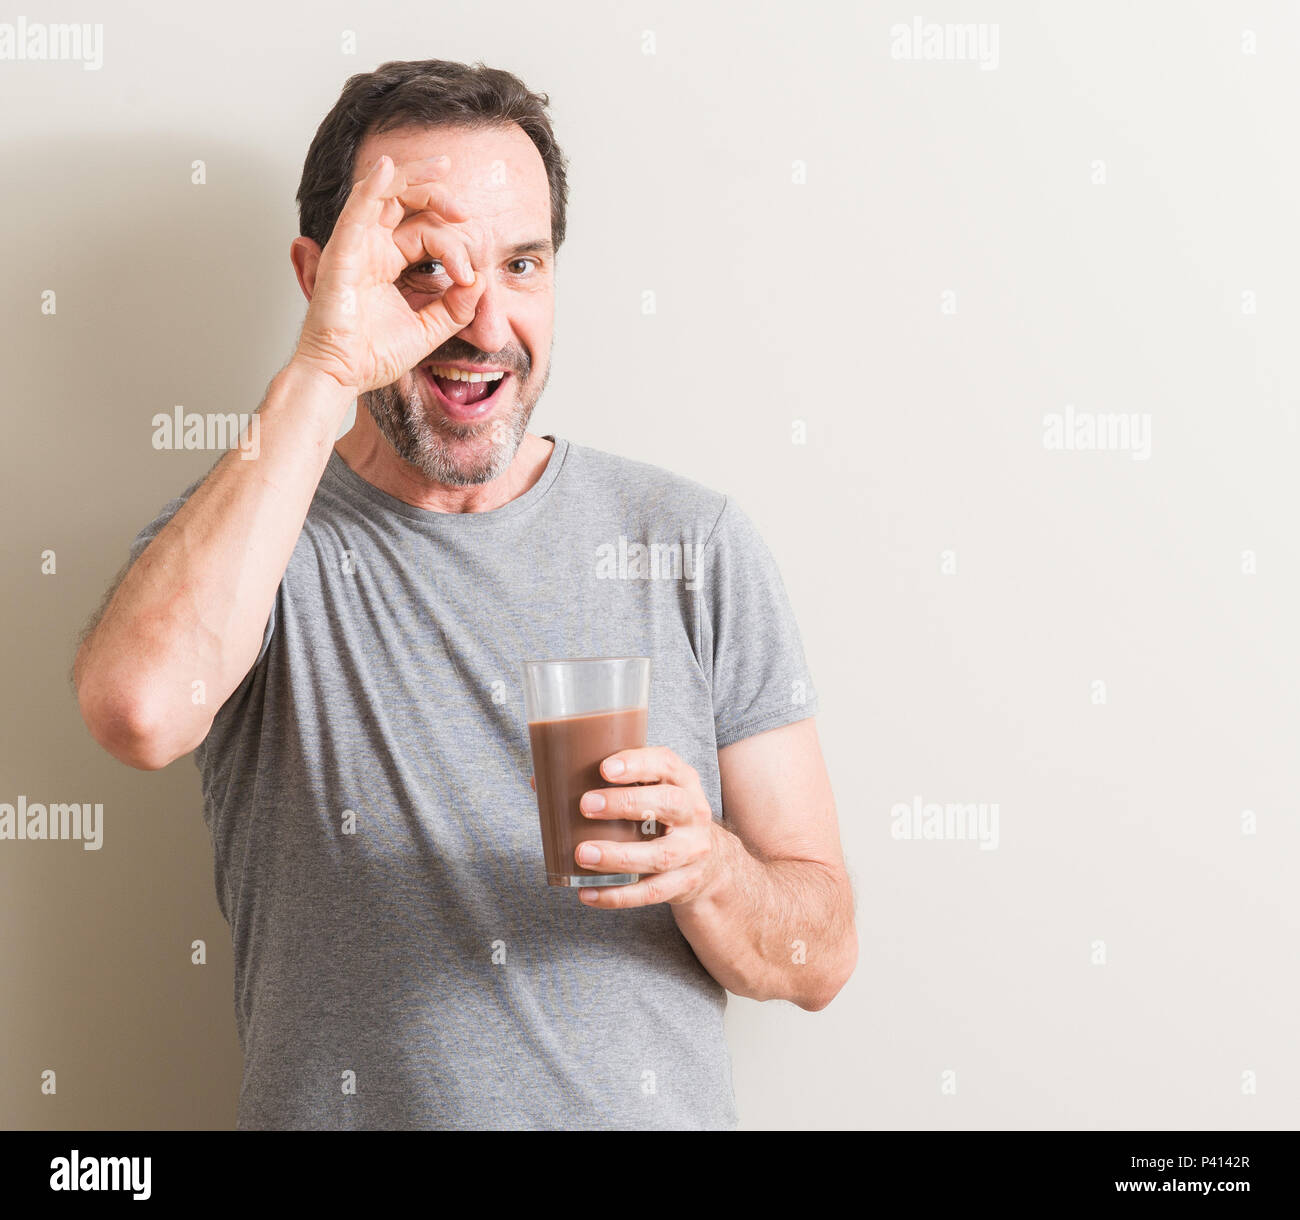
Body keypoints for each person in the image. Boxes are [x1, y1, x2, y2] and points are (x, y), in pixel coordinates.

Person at [74, 59, 856, 1130]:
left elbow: (820, 954)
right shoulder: (251, 541)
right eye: (423, 266)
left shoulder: (689, 543)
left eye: (522, 262)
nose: (482, 322)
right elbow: (138, 710)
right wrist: (326, 365)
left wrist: (709, 868)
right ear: (319, 277)